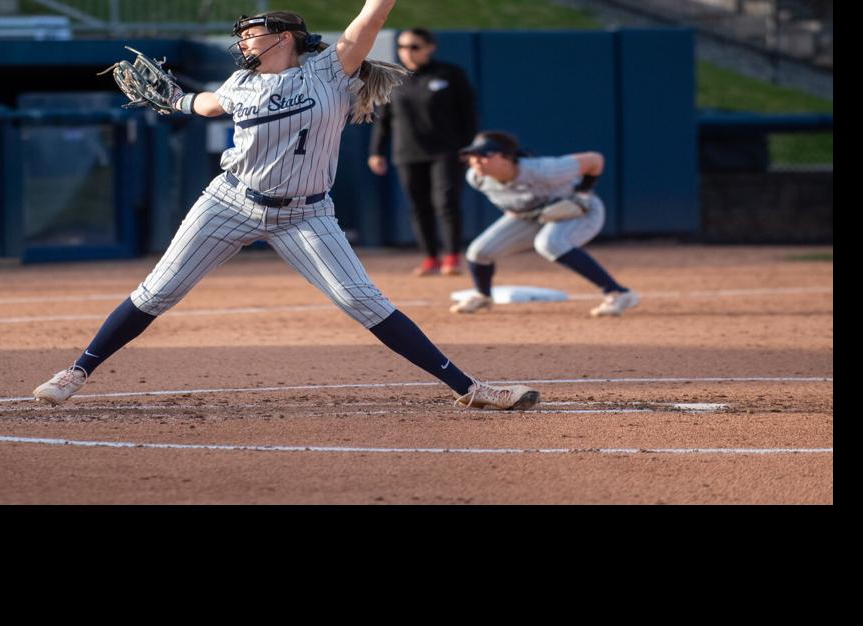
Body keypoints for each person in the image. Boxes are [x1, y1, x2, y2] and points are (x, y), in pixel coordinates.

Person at [32, 2, 539, 412]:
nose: (243, 41)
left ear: (284, 36)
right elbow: (209, 103)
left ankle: (470, 389)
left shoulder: (330, 68)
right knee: (158, 291)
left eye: (251, 33)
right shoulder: (240, 84)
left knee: (362, 300)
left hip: (307, 213)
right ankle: (76, 371)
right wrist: (179, 102)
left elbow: (373, 16)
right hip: (230, 200)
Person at [451, 130, 640, 318]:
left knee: (550, 243)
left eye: (484, 156)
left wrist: (583, 193)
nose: (476, 161)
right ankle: (483, 295)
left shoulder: (544, 170)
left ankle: (618, 293)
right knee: (479, 252)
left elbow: (594, 160)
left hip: (579, 211)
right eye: (473, 156)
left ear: (506, 157)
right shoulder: (476, 178)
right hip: (532, 216)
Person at [367, 27, 478, 277]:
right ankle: (430, 257)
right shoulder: (392, 77)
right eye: (403, 47)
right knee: (419, 205)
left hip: (446, 150)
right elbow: (383, 120)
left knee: (446, 202)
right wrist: (376, 152)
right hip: (407, 152)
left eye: (414, 46)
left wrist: (468, 147)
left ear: (430, 47)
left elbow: (468, 114)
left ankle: (451, 256)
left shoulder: (450, 74)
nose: (407, 52)